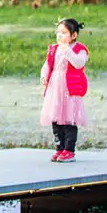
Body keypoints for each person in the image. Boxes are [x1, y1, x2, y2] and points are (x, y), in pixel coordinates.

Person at [39, 18, 89, 162]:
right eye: (58, 32)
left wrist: (67, 50)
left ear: (73, 35)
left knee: (69, 119)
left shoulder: (79, 50)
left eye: (64, 32)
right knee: (56, 118)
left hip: (70, 90)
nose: (60, 36)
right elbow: (48, 65)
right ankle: (59, 148)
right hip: (56, 88)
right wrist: (44, 76)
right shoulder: (54, 49)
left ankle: (69, 149)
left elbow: (78, 63)